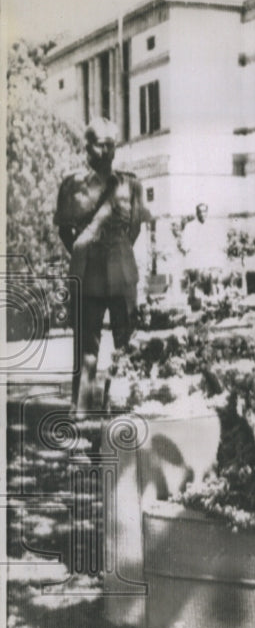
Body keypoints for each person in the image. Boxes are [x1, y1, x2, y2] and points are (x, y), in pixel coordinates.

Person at [54, 117, 146, 413]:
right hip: (87, 274)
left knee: (126, 343)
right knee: (85, 346)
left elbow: (135, 228)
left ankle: (118, 401)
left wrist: (117, 253)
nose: (106, 152)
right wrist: (83, 253)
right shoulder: (71, 184)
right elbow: (65, 230)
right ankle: (80, 405)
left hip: (122, 274)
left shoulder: (131, 184)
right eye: (100, 146)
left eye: (111, 145)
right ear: (87, 148)